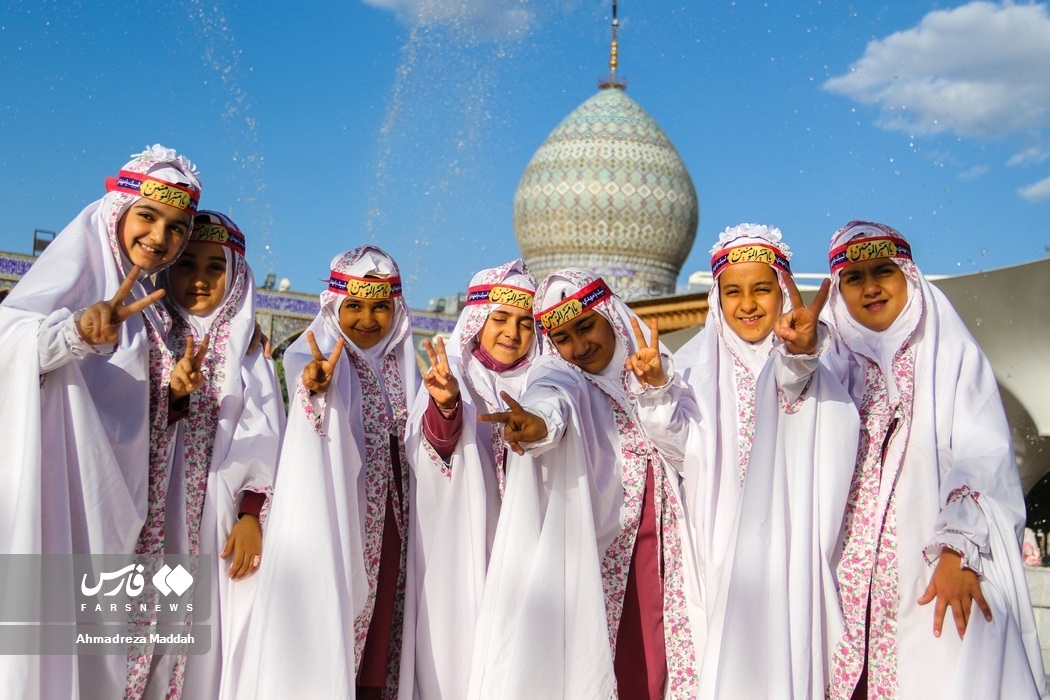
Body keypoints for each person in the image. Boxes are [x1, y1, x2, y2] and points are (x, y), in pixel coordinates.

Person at [0, 145, 202, 699]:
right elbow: (13, 341)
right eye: (148, 216)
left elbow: (129, 397)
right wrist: (77, 333)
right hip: (69, 493)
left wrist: (177, 394)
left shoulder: (152, 303)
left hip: (123, 501)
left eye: (177, 229)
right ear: (117, 211)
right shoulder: (79, 274)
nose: (160, 238)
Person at [822, 221, 1047, 698]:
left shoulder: (950, 357)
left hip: (932, 573)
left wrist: (956, 551)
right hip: (842, 584)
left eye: (884, 270)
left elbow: (981, 456)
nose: (871, 287)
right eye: (854, 277)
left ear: (909, 275)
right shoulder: (827, 366)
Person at [631, 223, 856, 697]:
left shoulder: (815, 352)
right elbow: (680, 448)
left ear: (782, 292)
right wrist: (655, 390)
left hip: (795, 544)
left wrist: (802, 352)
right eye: (733, 291)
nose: (748, 304)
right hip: (721, 543)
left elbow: (797, 378)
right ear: (717, 297)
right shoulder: (692, 363)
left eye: (761, 289)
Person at [468, 269, 701, 700]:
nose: (579, 347)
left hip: (673, 552)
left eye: (586, 326)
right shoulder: (564, 377)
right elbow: (549, 400)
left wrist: (655, 393)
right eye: (562, 338)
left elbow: (692, 452)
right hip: (609, 558)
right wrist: (536, 425)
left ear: (610, 316)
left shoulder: (656, 369)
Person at [238, 246, 420, 700]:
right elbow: (307, 401)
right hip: (340, 524)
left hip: (395, 532)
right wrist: (314, 389)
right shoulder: (313, 356)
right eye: (353, 306)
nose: (367, 318)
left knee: (381, 644)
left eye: (380, 306)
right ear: (333, 307)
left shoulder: (407, 367)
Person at [129, 211, 283, 699]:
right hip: (139, 515)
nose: (198, 279)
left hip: (211, 527)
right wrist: (171, 395)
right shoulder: (145, 332)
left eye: (215, 267)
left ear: (235, 276)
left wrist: (251, 513)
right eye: (186, 264)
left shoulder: (248, 352)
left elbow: (263, 435)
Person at [399, 260, 539, 699]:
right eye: (500, 319)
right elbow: (435, 450)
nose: (512, 334)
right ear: (478, 320)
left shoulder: (547, 382)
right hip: (462, 548)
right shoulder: (453, 375)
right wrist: (447, 408)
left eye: (525, 323)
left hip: (524, 551)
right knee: (455, 654)